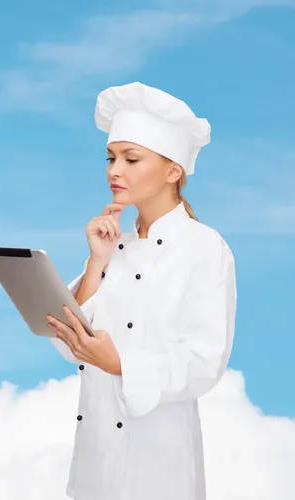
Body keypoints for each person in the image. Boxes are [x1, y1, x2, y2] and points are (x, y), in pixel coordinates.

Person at [45, 82, 237, 500]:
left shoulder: (205, 248)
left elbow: (204, 362)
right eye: (111, 157)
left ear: (173, 171)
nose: (115, 170)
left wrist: (121, 364)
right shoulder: (115, 244)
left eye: (132, 158)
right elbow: (70, 342)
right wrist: (97, 260)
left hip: (160, 467)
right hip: (94, 464)